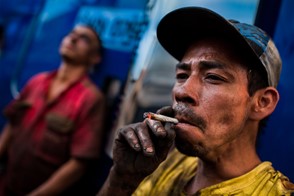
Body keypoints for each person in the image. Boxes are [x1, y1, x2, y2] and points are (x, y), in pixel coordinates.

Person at [98, 7, 294, 196]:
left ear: (263, 102)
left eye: (213, 77)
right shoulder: (167, 163)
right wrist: (122, 178)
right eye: (182, 75)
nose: (182, 91)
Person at [0, 23, 106, 195]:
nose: (73, 38)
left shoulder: (90, 99)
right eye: (72, 33)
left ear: (95, 58)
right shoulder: (37, 82)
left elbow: (79, 163)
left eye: (84, 39)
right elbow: (12, 125)